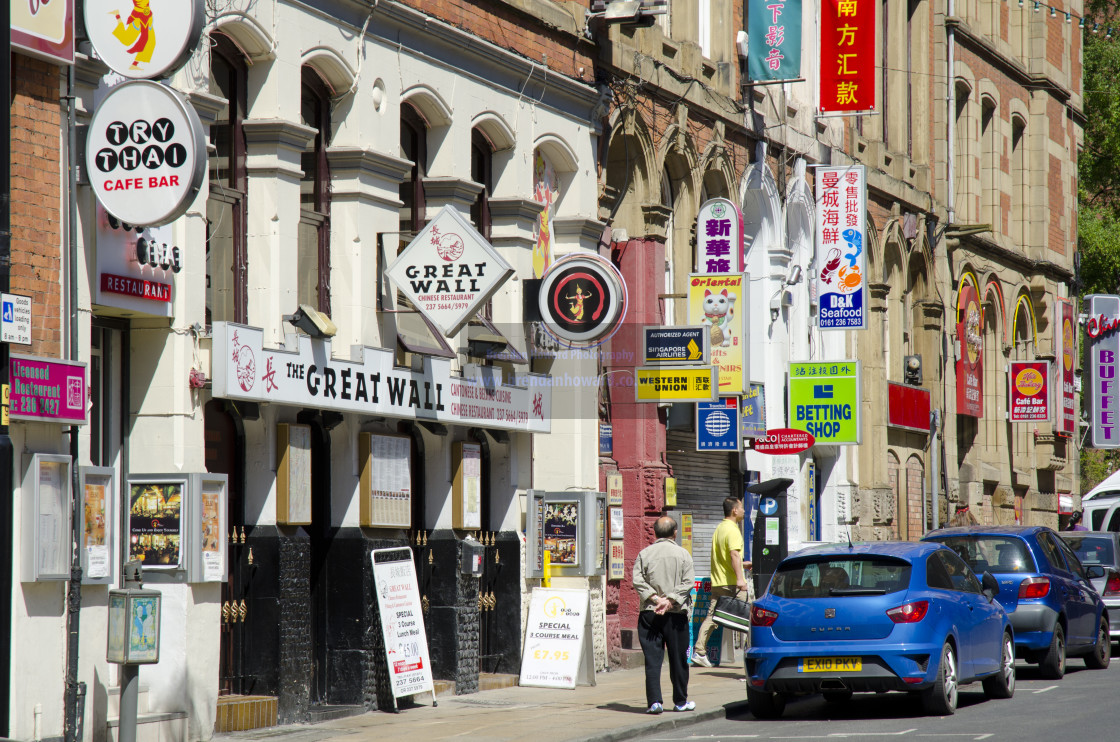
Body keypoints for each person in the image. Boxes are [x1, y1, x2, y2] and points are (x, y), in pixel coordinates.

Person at [632, 516, 696, 715]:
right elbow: (688, 582)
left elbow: (637, 580)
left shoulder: (645, 553)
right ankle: (680, 701)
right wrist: (670, 600)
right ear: (675, 533)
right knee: (678, 659)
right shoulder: (683, 554)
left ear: (655, 532)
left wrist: (654, 599)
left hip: (650, 614)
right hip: (676, 614)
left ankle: (654, 702)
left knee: (652, 660)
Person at [692, 495, 751, 668]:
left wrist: (743, 564)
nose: (744, 511)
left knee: (712, 616)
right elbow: (733, 554)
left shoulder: (719, 528)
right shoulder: (733, 530)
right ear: (734, 510)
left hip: (718, 581)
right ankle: (753, 652)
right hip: (732, 583)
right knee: (750, 617)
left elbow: (728, 556)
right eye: (741, 508)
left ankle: (699, 651)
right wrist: (740, 579)